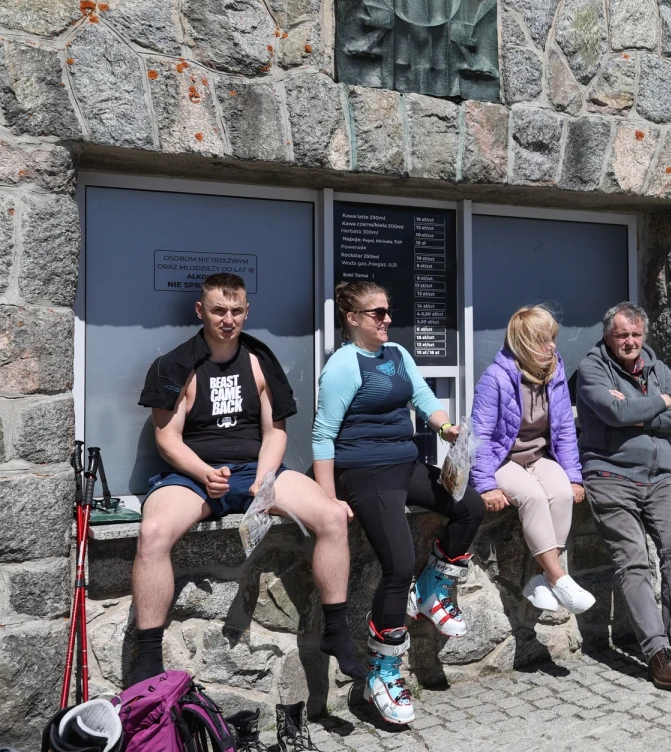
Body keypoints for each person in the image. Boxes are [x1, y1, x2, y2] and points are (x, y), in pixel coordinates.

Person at [132, 273, 364, 685]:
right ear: (200, 311)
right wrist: (203, 472)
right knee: (152, 532)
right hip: (192, 475)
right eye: (219, 310)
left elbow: (276, 431)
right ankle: (148, 655)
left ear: (247, 312)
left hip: (253, 470)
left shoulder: (260, 360)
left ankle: (337, 630)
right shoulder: (175, 364)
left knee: (332, 517)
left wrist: (264, 478)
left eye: (236, 311)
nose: (228, 319)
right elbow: (167, 439)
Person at [311, 281, 485, 725]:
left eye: (388, 311)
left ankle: (432, 589)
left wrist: (445, 428)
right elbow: (323, 435)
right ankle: (381, 672)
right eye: (377, 313)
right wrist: (329, 499)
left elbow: (424, 398)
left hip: (405, 462)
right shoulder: (343, 366)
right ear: (352, 320)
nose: (387, 319)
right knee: (398, 564)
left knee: (471, 508)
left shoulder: (397, 354)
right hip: (364, 471)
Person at [576, 301, 671, 691]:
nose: (630, 342)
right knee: (635, 561)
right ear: (608, 335)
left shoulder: (657, 368)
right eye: (622, 334)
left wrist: (638, 410)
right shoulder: (591, 368)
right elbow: (613, 413)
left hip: (658, 478)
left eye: (636, 334)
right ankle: (657, 651)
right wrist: (659, 404)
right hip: (609, 476)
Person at [470, 306, 595, 614]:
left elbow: (565, 428)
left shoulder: (554, 373)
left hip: (538, 455)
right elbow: (481, 436)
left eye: (552, 338)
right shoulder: (495, 378)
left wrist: (574, 476)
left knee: (563, 492)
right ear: (523, 342)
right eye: (542, 340)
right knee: (533, 497)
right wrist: (485, 485)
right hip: (503, 459)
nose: (551, 346)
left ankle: (542, 579)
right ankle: (558, 577)